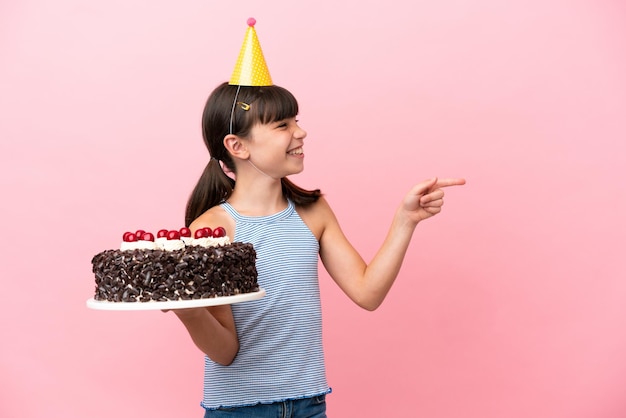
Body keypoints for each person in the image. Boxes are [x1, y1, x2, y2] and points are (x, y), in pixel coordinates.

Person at [169, 19, 465, 418]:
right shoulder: (213, 230)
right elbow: (225, 351)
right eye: (282, 125)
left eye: (297, 120)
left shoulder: (312, 211)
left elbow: (367, 293)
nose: (301, 132)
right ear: (237, 146)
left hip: (309, 403)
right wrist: (190, 313)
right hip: (240, 409)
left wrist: (404, 221)